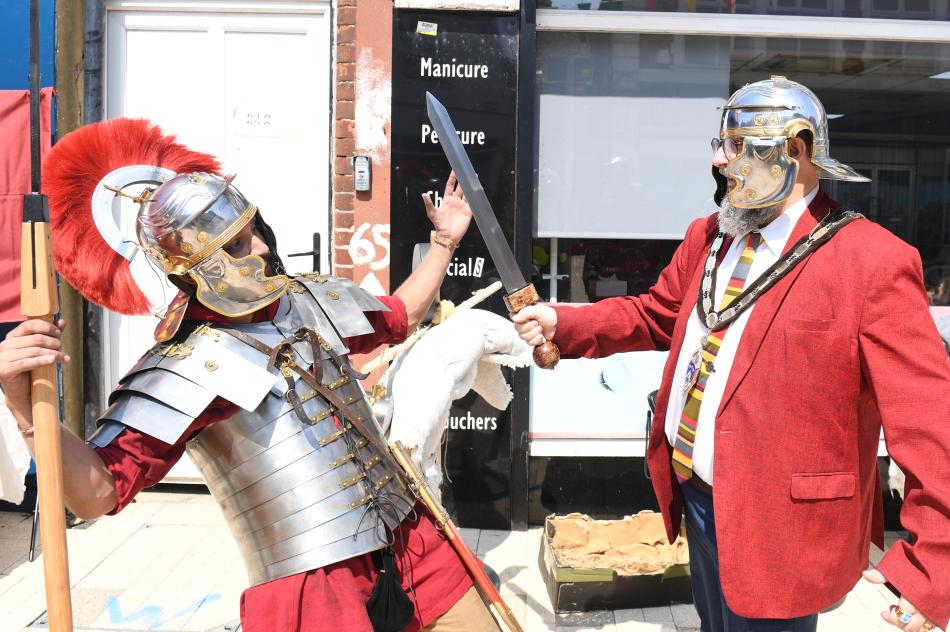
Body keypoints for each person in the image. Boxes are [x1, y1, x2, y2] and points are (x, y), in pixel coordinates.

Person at [0, 118, 500, 632]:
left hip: (408, 531)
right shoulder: (183, 366)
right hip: (312, 578)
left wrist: (443, 243)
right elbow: (97, 492)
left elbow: (400, 316)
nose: (260, 248)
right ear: (193, 266)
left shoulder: (308, 300)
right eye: (237, 246)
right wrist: (23, 407)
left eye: (253, 230)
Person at [514, 76, 949, 632]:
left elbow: (930, 422)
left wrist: (932, 564)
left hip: (783, 523)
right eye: (721, 145)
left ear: (794, 150)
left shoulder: (872, 261)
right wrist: (564, 321)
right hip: (695, 493)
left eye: (737, 146)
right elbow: (658, 313)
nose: (721, 161)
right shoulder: (710, 236)